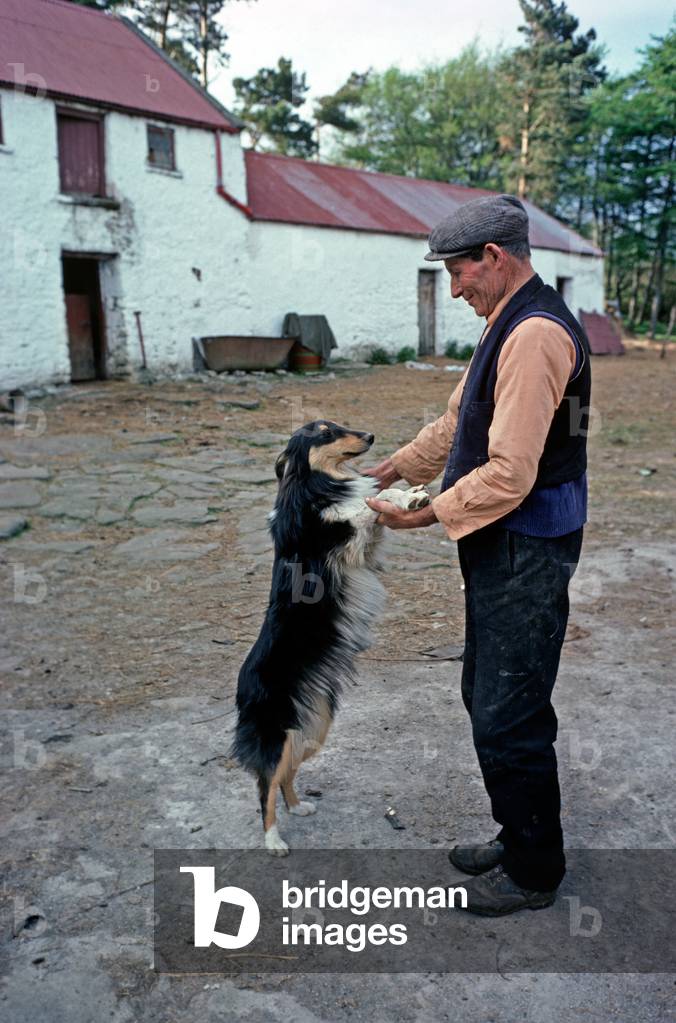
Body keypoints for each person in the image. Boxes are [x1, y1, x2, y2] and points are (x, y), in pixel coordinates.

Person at [364, 194, 591, 917]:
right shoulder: (505, 320)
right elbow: (460, 418)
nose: (453, 287)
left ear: (494, 258)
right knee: (486, 692)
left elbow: (511, 473)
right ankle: (517, 829)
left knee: (508, 710)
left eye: (458, 272)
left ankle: (534, 870)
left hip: (529, 542)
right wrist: (395, 468)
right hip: (504, 540)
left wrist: (428, 512)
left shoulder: (533, 336)